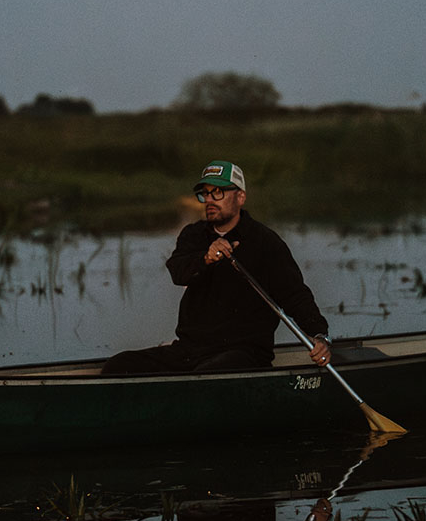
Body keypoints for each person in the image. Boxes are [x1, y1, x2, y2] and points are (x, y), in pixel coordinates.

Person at [102, 160, 332, 374]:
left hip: (244, 353)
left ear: (240, 197)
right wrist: (206, 258)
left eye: (218, 192)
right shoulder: (193, 235)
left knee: (208, 374)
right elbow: (178, 271)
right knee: (117, 366)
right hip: (190, 350)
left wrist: (320, 336)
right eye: (205, 193)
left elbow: (296, 296)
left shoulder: (265, 242)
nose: (210, 199)